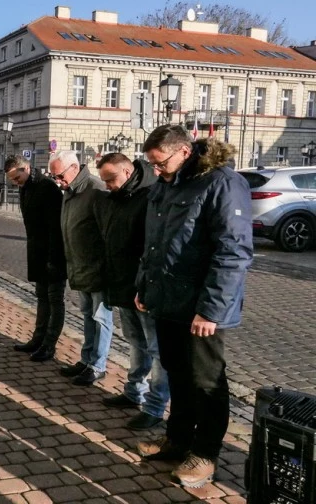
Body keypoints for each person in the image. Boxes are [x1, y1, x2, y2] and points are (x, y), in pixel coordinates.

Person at [134, 125, 253, 489]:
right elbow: (154, 242)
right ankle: (178, 439)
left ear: (183, 151)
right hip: (167, 300)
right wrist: (144, 286)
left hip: (201, 308)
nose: (156, 170)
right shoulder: (167, 184)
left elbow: (233, 252)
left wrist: (211, 310)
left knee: (206, 382)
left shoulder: (222, 183)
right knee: (176, 373)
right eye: (152, 164)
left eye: (161, 163)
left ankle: (205, 454)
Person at [93, 152, 169, 431]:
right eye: (103, 180)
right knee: (135, 343)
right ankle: (133, 391)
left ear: (127, 171)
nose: (107, 185)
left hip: (144, 288)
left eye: (110, 179)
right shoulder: (118, 196)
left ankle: (155, 406)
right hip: (122, 283)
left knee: (157, 349)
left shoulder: (149, 196)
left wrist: (144, 284)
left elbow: (152, 246)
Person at [48, 150, 113, 386]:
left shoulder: (96, 190)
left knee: (101, 318)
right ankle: (86, 360)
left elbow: (108, 233)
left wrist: (104, 266)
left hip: (97, 269)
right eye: (54, 176)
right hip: (79, 266)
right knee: (87, 316)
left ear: (74, 168)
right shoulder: (70, 190)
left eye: (60, 176)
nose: (57, 181)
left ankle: (98, 365)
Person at [5, 155, 67, 362]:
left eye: (17, 178)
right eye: (12, 180)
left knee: (55, 299)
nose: (15, 183)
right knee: (41, 296)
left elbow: (55, 228)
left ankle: (49, 345)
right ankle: (37, 339)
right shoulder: (26, 187)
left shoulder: (47, 187)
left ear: (26, 168)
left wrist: (53, 258)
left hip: (53, 253)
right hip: (37, 251)